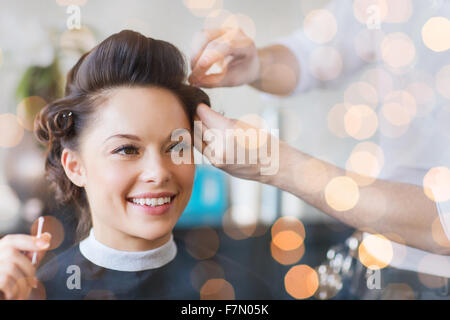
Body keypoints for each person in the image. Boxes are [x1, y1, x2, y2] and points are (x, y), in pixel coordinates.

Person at [188, 0, 450, 298]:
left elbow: (443, 225)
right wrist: (258, 64)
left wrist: (275, 163)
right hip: (380, 263)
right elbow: (314, 53)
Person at [0, 30, 272, 300]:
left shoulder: (238, 291)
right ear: (75, 167)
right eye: (127, 149)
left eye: (177, 147)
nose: (159, 172)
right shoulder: (35, 294)